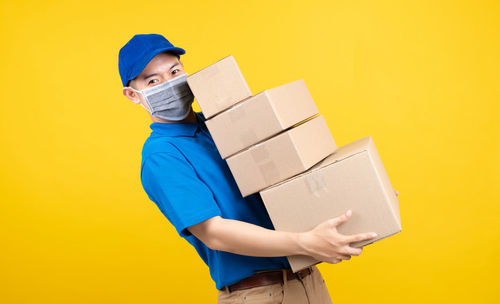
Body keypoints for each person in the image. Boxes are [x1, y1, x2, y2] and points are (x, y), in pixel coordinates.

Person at [119, 33, 396, 303]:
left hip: (308, 281)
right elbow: (213, 232)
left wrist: (363, 200)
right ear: (133, 95)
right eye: (153, 80)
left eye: (175, 71)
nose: (169, 83)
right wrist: (304, 243)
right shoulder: (161, 155)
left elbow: (287, 183)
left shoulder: (222, 125)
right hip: (258, 294)